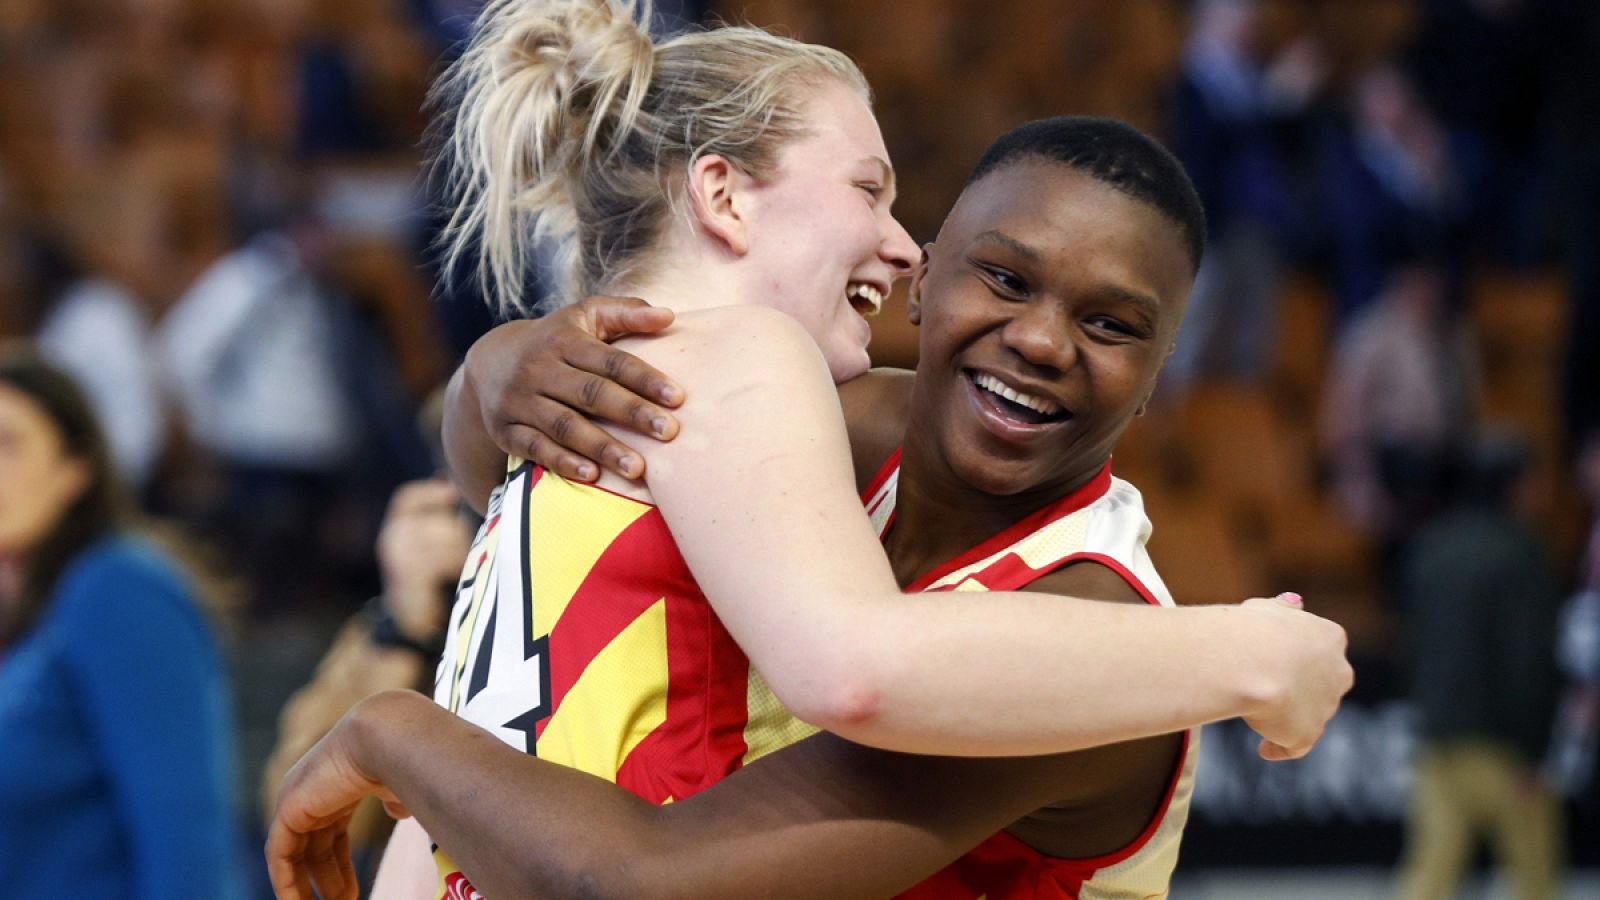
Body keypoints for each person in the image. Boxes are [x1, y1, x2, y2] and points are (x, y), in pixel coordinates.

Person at [268, 1, 1351, 895]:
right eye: (1004, 279)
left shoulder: (1093, 625)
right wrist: (491, 372)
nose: (1040, 341)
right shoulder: (774, 404)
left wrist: (1254, 655)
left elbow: (668, 862)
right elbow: (505, 482)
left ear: (1161, 376)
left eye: (1111, 325)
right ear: (927, 282)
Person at [0, 346, 243, 898]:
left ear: (74, 470)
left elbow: (187, 840)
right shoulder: (30, 617)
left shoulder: (119, 588)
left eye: (9, 444)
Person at [1392, 434, 1566, 900]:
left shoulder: (1430, 548)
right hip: (1505, 748)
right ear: (1515, 485)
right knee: (1533, 880)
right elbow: (1528, 658)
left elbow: (1412, 643)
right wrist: (1535, 749)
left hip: (1438, 742)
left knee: (1428, 878)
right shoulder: (1523, 553)